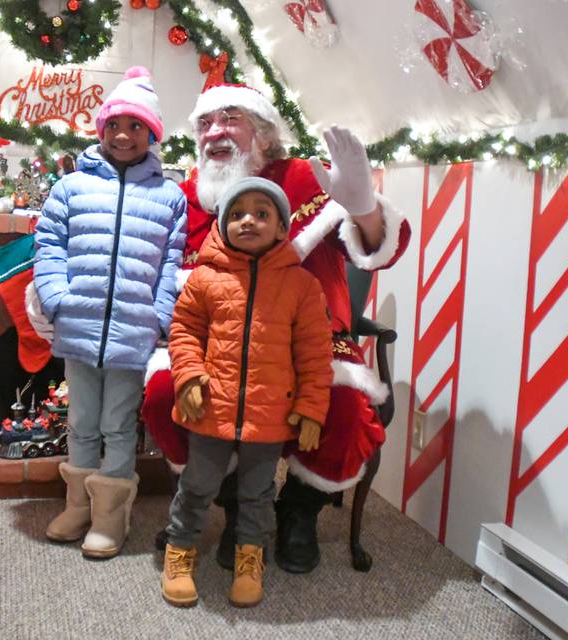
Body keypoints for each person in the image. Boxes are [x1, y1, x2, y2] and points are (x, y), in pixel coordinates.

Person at [140, 84, 412, 574]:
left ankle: (298, 511)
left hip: (313, 344)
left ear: (263, 133)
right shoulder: (188, 197)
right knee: (164, 393)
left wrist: (364, 206)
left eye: (230, 118)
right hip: (217, 346)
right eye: (205, 124)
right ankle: (235, 503)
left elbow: (378, 249)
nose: (215, 132)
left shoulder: (307, 179)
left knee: (347, 411)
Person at [33, 66, 187, 559]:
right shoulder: (71, 187)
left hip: (133, 331)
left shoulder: (169, 196)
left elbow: (171, 262)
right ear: (101, 130)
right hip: (77, 323)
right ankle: (78, 505)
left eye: (136, 126)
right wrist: (55, 298)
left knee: (119, 424)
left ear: (152, 134)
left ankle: (110, 518)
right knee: (81, 420)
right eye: (115, 125)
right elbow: (49, 245)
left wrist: (160, 315)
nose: (124, 135)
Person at [160, 177, 332, 608]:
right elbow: (183, 332)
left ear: (281, 228)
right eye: (236, 214)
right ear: (222, 225)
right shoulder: (204, 279)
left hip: (270, 413)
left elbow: (315, 352)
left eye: (261, 213)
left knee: (257, 494)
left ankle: (250, 558)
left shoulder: (301, 286)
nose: (248, 221)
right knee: (197, 486)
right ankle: (179, 551)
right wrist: (188, 376)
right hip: (210, 408)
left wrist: (312, 408)